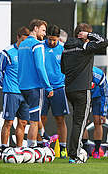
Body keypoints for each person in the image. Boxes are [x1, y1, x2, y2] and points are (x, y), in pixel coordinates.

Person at [61, 23, 108, 164]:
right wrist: (89, 36)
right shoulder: (85, 46)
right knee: (80, 122)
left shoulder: (66, 48)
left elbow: (63, 68)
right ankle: (74, 154)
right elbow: (104, 42)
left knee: (77, 121)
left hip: (69, 89)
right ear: (83, 35)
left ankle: (76, 149)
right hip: (82, 89)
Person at [18, 19, 53, 148]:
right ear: (36, 28)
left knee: (33, 117)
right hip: (34, 87)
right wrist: (48, 86)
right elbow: (40, 67)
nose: (44, 34)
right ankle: (31, 149)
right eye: (43, 30)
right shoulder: (37, 45)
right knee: (33, 120)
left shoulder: (22, 44)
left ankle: (44, 136)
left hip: (22, 86)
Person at [39, 24, 69, 158]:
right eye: (49, 39)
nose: (51, 42)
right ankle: (39, 146)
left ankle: (63, 148)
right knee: (41, 118)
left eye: (54, 40)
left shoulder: (63, 49)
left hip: (58, 88)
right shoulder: (39, 47)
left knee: (60, 119)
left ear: (58, 38)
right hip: (42, 88)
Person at [0, 27, 30, 151]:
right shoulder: (7, 52)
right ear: (18, 37)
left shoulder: (29, 52)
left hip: (26, 92)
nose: (24, 44)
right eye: (22, 41)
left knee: (23, 123)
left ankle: (19, 149)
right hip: (11, 92)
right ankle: (4, 148)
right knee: (9, 122)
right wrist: (5, 85)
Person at [82, 66, 108, 159]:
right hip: (84, 96)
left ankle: (96, 150)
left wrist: (103, 113)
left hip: (97, 97)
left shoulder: (98, 73)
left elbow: (105, 93)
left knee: (98, 122)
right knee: (83, 122)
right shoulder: (80, 71)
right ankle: (85, 149)